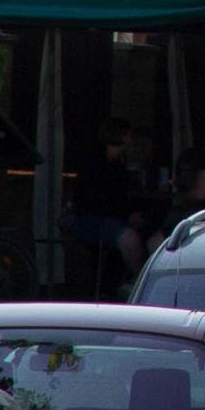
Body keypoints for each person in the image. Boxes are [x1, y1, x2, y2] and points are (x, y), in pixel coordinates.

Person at [65, 122, 154, 288]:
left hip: (110, 218)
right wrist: (126, 216)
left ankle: (119, 282)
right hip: (89, 219)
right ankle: (142, 285)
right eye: (128, 135)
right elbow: (95, 202)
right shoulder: (94, 163)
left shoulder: (117, 165)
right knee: (130, 239)